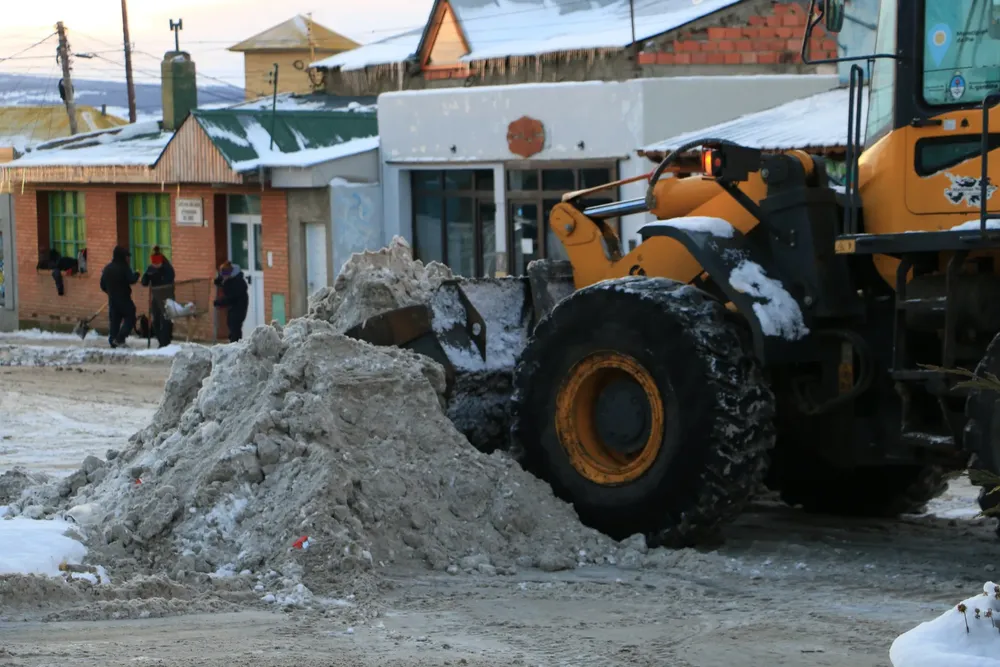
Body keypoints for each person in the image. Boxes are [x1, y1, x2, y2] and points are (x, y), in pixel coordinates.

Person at [99, 245, 140, 348]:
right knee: (130, 317)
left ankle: (113, 341)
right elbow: (131, 280)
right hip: (124, 298)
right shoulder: (124, 268)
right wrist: (137, 274)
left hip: (112, 299)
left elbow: (102, 285)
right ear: (122, 257)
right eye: (127, 256)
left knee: (115, 321)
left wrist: (110, 292)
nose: (129, 258)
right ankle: (120, 338)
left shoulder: (107, 268)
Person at [141, 246, 176, 348]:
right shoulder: (151, 268)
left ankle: (166, 342)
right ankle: (161, 341)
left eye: (157, 264)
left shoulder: (168, 268)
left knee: (166, 320)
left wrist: (157, 275)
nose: (155, 266)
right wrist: (147, 276)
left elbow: (169, 281)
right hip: (156, 298)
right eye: (154, 264)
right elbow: (144, 282)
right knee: (156, 320)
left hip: (167, 297)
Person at [214, 260, 249, 343]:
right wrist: (218, 281)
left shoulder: (237, 282)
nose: (224, 277)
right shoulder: (229, 277)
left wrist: (219, 302)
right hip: (233, 306)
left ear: (230, 273)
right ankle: (233, 342)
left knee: (235, 326)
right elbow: (221, 280)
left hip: (239, 306)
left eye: (225, 275)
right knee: (230, 323)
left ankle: (236, 344)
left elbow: (231, 298)